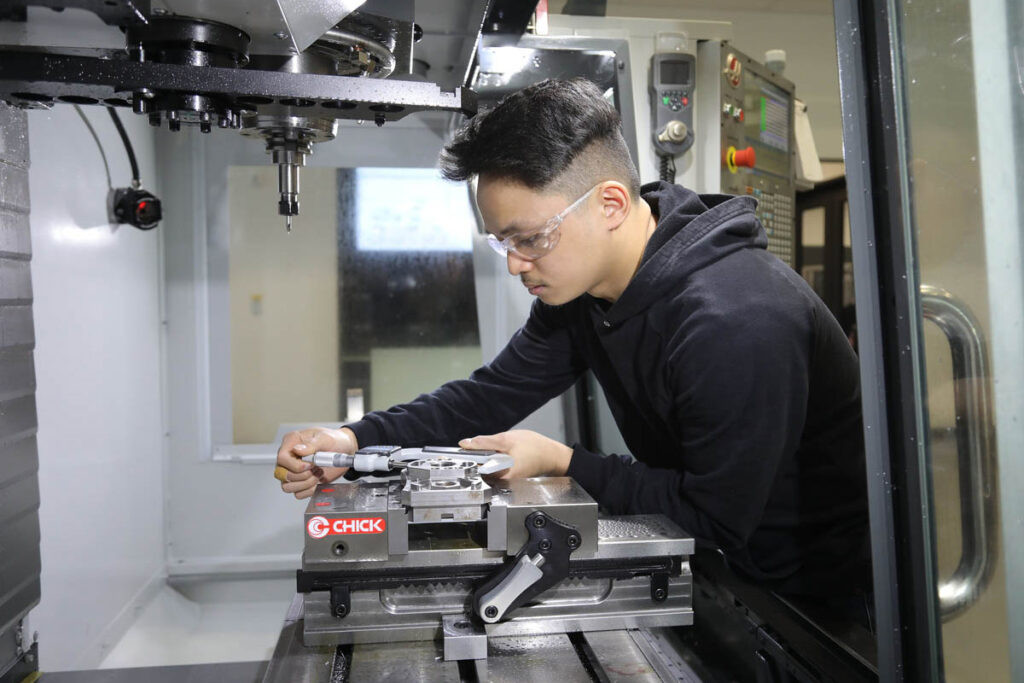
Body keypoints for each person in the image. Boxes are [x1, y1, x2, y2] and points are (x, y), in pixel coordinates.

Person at [274, 78, 871, 601]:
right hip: (731, 569)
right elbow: (490, 396)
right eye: (502, 243)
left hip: (816, 601)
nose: (515, 264)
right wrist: (352, 442)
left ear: (610, 203)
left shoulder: (736, 320)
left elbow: (713, 518)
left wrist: (565, 463)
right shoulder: (585, 294)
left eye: (529, 238)